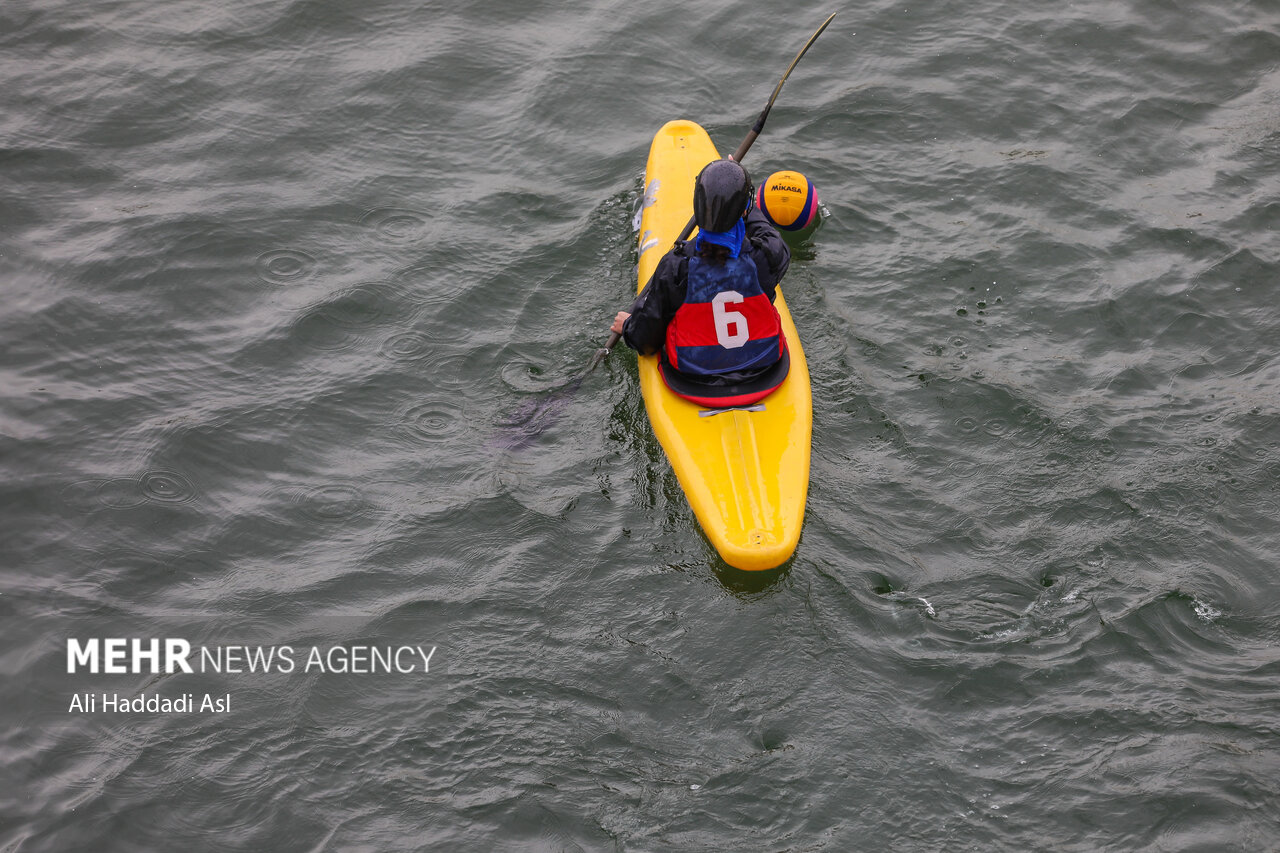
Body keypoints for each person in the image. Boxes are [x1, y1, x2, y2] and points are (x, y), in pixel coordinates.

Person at [611, 157, 792, 407]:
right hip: (764, 371)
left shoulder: (676, 266)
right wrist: (742, 202)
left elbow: (647, 341)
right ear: (744, 210)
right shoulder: (766, 256)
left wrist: (630, 326)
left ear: (697, 207)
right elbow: (767, 232)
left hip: (693, 380)